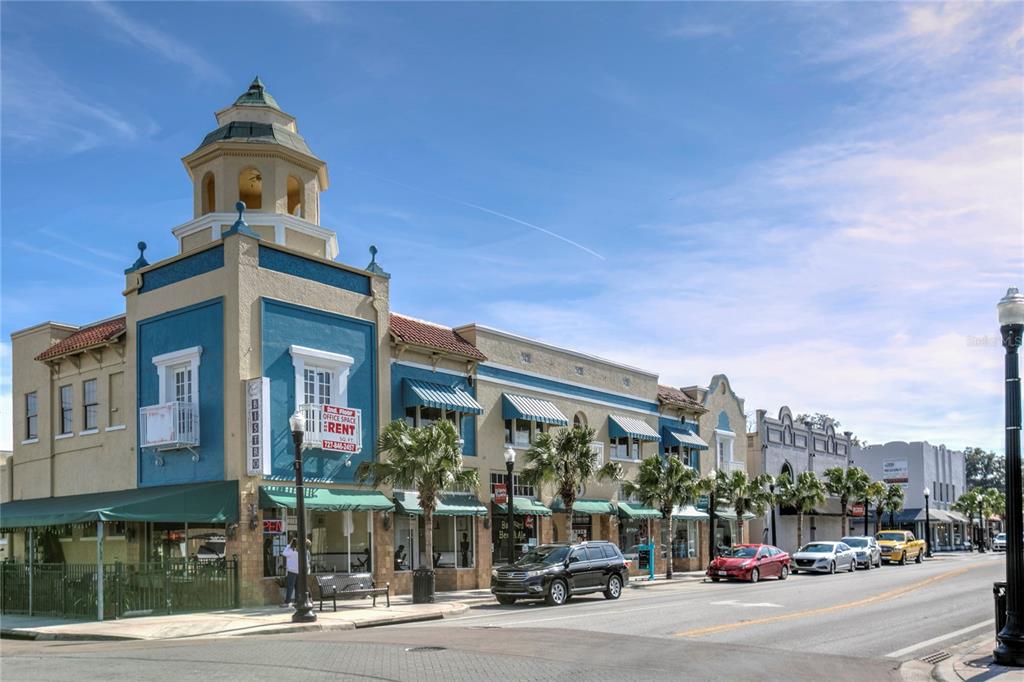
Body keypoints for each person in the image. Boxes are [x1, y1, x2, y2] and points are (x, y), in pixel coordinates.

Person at [281, 538, 299, 607]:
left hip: (292, 571)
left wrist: (288, 546)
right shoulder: (298, 552)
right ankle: (296, 601)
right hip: (298, 571)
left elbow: (283, 553)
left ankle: (287, 602)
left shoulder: (290, 552)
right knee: (297, 587)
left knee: (290, 587)